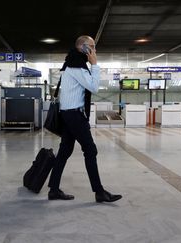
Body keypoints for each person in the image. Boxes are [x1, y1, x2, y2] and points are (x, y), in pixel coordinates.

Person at [48, 35, 122, 203]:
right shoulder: (76, 66)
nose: (95, 50)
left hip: (68, 113)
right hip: (74, 115)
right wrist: (95, 65)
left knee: (65, 151)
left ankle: (53, 189)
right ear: (83, 48)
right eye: (92, 46)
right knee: (90, 150)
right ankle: (99, 192)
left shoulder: (71, 63)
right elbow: (94, 87)